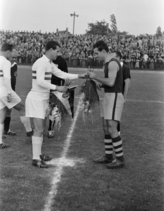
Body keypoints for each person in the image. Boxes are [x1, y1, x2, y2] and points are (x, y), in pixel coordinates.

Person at [25, 40, 86, 168]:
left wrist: (80, 76)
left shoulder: (49, 63)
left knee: (40, 129)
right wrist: (56, 87)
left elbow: (62, 74)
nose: (58, 54)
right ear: (50, 49)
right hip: (36, 99)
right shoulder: (41, 63)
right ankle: (35, 159)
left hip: (42, 99)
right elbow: (40, 82)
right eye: (57, 51)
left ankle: (38, 155)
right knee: (39, 129)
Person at [88, 40, 125, 169]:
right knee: (106, 127)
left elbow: (110, 82)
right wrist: (96, 82)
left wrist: (96, 77)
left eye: (96, 53)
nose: (95, 56)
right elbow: (107, 84)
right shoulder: (107, 63)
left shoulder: (113, 63)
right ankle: (108, 156)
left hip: (114, 96)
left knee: (112, 127)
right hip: (109, 96)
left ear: (103, 51)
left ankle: (120, 159)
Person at [0, 43, 33, 149]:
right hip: (5, 90)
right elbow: (7, 79)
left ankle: (0, 142)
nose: (12, 55)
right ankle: (30, 133)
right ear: (8, 51)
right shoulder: (6, 62)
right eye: (11, 52)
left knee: (2, 115)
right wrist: (9, 92)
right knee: (22, 108)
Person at [48, 54, 75, 138]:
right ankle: (39, 127)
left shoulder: (62, 61)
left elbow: (65, 74)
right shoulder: (45, 60)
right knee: (44, 108)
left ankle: (50, 129)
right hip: (45, 86)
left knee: (53, 108)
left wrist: (65, 86)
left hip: (57, 87)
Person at [113, 51, 131, 135]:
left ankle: (117, 134)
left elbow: (127, 83)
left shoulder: (125, 68)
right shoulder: (112, 67)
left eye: (114, 57)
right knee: (112, 116)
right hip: (111, 94)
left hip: (119, 94)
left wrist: (124, 97)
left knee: (116, 116)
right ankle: (115, 133)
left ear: (119, 58)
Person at [4, 49, 18, 135]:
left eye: (16, 57)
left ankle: (6, 130)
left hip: (12, 90)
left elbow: (14, 77)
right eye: (13, 57)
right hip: (4, 90)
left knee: (8, 110)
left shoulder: (15, 65)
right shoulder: (3, 64)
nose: (15, 59)